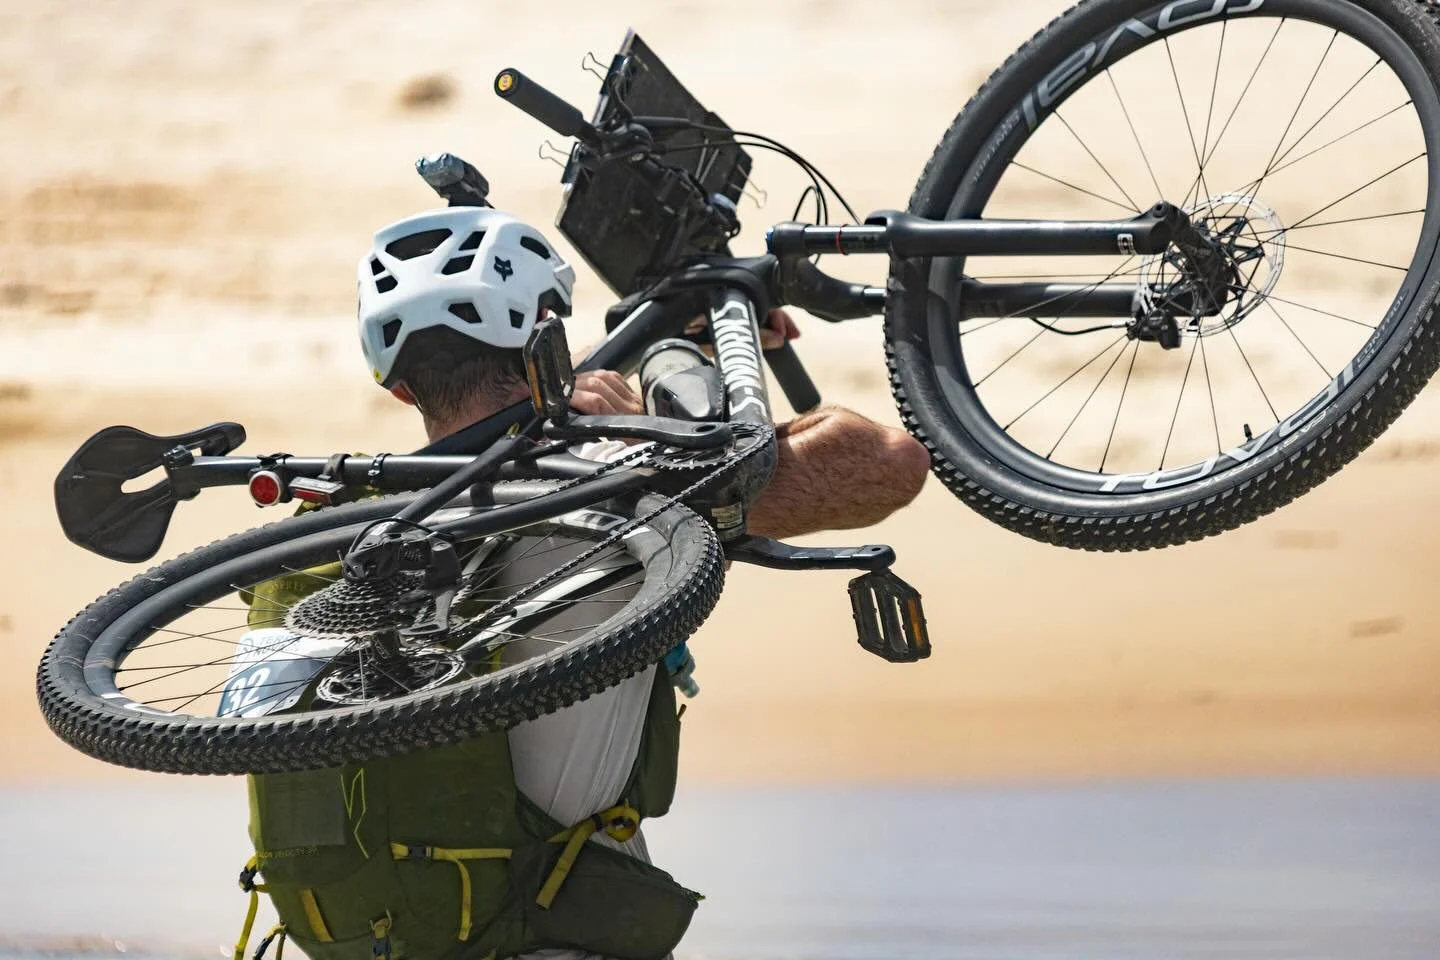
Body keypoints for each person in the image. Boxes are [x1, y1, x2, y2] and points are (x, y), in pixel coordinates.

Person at [234, 206, 930, 960]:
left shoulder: (339, 534)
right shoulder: (606, 490)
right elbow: (888, 462)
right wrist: (673, 380)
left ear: (401, 389)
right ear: (549, 339)